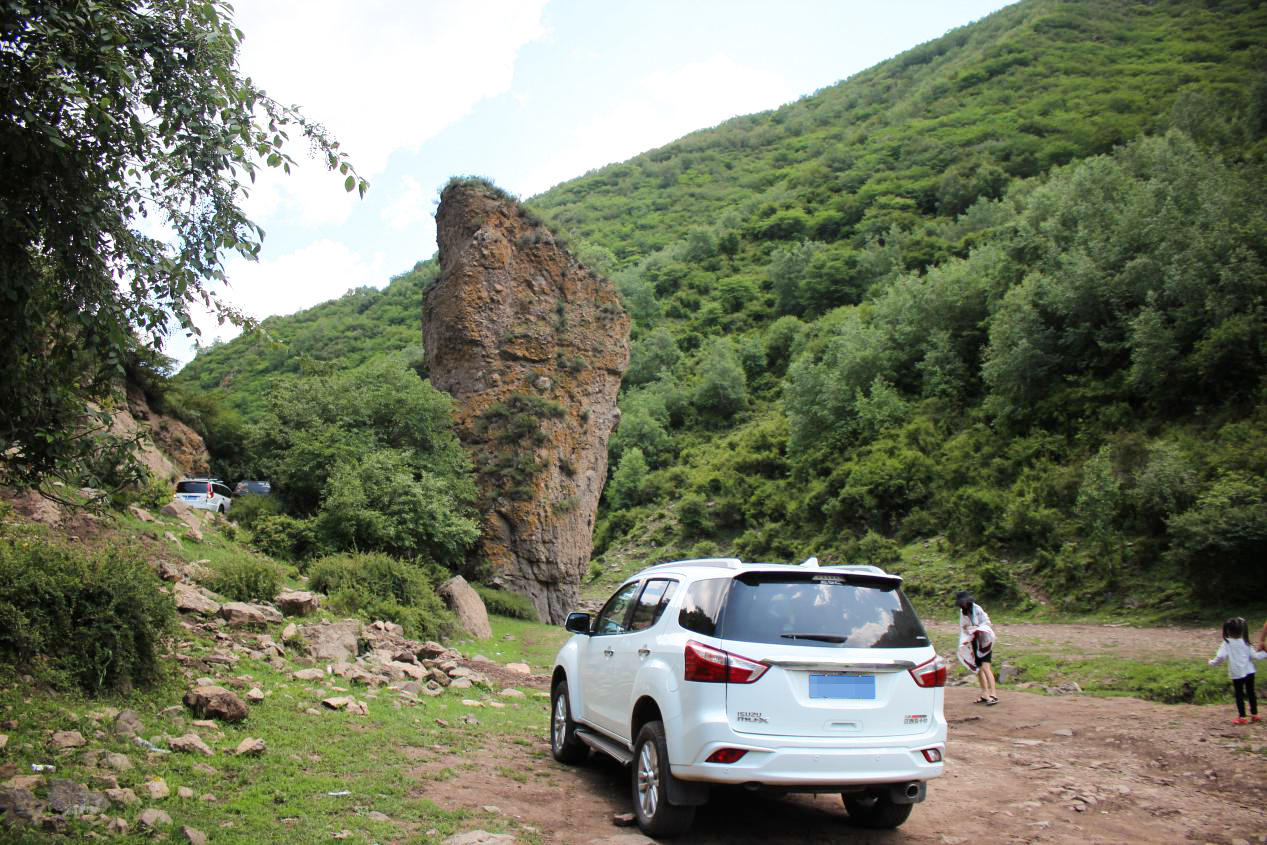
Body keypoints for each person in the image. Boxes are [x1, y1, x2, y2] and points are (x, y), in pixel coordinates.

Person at [1209, 617, 1267, 725]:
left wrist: (1212, 663)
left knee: (1239, 694)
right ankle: (1255, 715)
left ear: (1228, 631)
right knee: (1251, 693)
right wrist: (1265, 653)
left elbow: (1220, 657)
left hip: (1237, 674)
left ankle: (1242, 717)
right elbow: (1255, 656)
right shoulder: (1245, 642)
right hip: (1250, 672)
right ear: (1242, 630)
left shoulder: (1227, 643)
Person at [955, 590, 997, 705]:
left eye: (964, 602)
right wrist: (969, 630)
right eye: (961, 602)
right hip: (974, 642)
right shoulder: (962, 612)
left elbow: (987, 622)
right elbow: (963, 627)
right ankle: (984, 693)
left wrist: (977, 628)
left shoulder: (977, 609)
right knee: (978, 669)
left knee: (986, 668)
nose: (963, 604)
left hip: (984, 641)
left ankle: (993, 694)